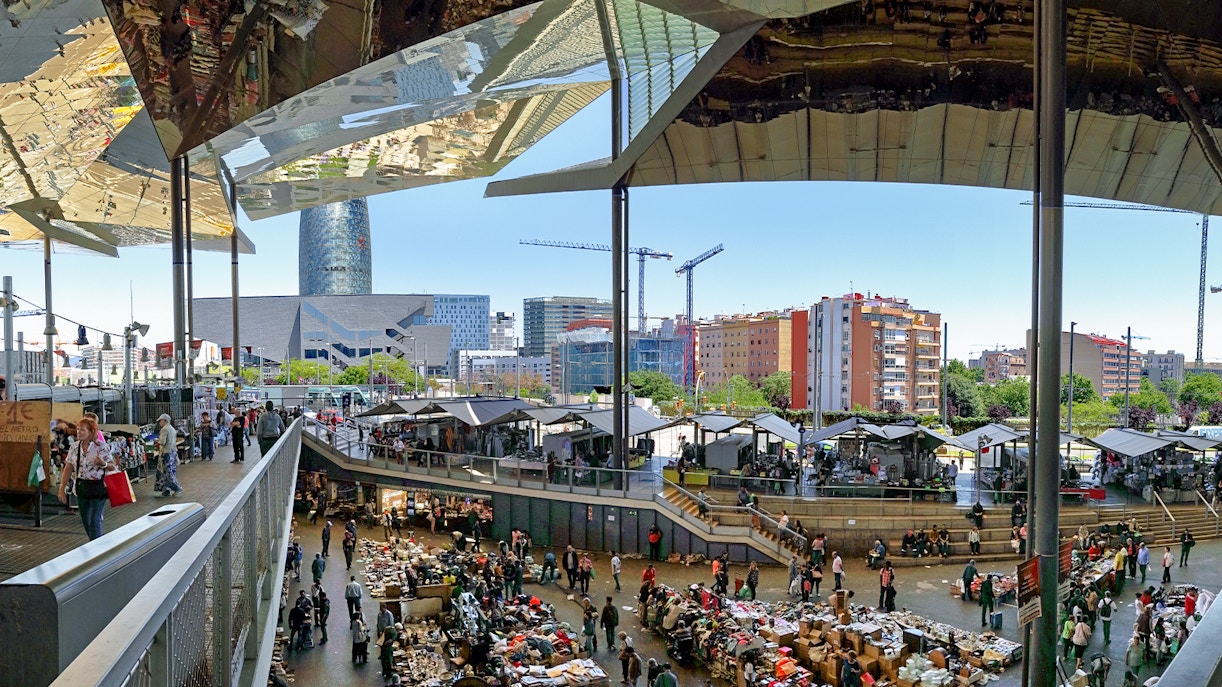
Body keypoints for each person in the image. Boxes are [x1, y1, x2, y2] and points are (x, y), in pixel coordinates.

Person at [57, 416, 117, 540]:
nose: (79, 432)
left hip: (98, 488)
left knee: (94, 519)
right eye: (78, 429)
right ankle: (96, 542)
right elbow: (68, 467)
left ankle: (97, 549)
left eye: (82, 430)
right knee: (86, 521)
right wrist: (62, 487)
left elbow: (112, 467)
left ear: (91, 432)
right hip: (81, 487)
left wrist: (103, 464)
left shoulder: (101, 446)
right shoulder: (74, 447)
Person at [154, 413, 184, 497]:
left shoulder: (164, 429)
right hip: (172, 452)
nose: (160, 422)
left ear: (164, 420)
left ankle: (177, 488)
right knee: (169, 471)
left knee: (167, 472)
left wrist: (157, 441)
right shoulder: (172, 428)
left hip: (166, 453)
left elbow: (163, 442)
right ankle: (166, 489)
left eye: (160, 420)